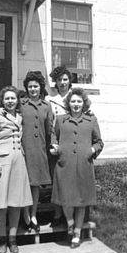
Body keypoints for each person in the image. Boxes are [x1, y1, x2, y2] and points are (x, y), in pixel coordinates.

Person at [50, 88, 104, 248]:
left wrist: (92, 150)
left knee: (81, 201)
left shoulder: (91, 120)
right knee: (66, 200)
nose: (76, 104)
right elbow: (54, 135)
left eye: (79, 101)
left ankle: (77, 233)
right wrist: (55, 147)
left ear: (84, 103)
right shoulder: (60, 120)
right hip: (64, 164)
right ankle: (70, 223)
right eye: (73, 101)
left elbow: (99, 142)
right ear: (68, 103)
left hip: (83, 165)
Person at [0, 86, 32, 253]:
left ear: (17, 100)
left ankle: (13, 239)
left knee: (15, 203)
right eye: (7, 99)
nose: (10, 101)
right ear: (2, 101)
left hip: (18, 162)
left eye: (13, 98)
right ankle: (2, 239)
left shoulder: (19, 117)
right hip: (2, 163)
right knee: (0, 204)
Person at [20, 71, 53, 232]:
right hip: (23, 148)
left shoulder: (46, 106)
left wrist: (51, 146)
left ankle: (33, 214)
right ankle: (25, 213)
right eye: (30, 86)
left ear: (41, 88)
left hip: (39, 149)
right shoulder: (21, 104)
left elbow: (50, 130)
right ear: (26, 88)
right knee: (24, 182)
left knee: (35, 184)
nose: (33, 89)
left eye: (36, 86)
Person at [46, 65, 72, 226]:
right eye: (59, 80)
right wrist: (53, 143)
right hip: (58, 143)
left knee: (70, 180)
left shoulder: (76, 98)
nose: (62, 83)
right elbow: (50, 124)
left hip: (72, 143)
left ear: (70, 81)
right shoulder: (51, 100)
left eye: (65, 79)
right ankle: (57, 214)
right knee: (57, 179)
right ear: (55, 82)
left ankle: (69, 214)